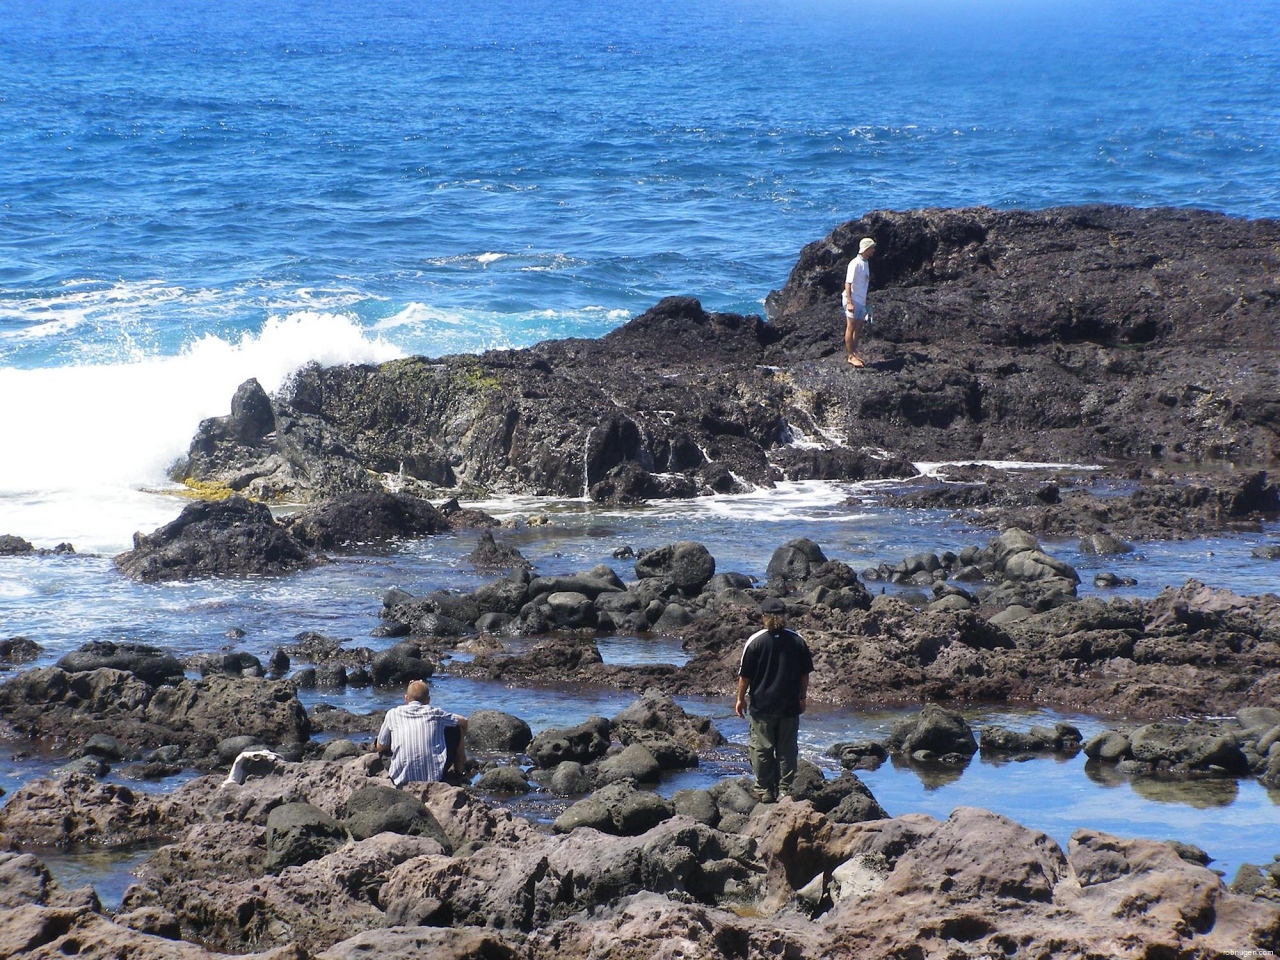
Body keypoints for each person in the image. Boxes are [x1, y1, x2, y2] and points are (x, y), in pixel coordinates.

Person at [734, 597, 813, 803]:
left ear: (764, 617)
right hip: (789, 705)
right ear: (784, 617)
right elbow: (805, 674)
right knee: (787, 750)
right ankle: (786, 791)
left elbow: (745, 677)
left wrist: (740, 699)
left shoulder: (755, 642)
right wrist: (802, 697)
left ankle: (764, 790)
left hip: (762, 705)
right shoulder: (797, 640)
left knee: (762, 749)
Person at [374, 679, 469, 786]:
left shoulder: (393, 713)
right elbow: (464, 721)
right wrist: (462, 740)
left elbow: (380, 746)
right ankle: (459, 773)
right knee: (456, 729)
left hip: (399, 778)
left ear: (406, 698)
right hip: (433, 779)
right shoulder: (436, 713)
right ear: (428, 700)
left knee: (387, 742)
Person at [842, 236, 877, 367]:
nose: (874, 250)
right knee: (851, 326)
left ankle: (854, 352)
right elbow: (848, 284)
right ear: (866, 249)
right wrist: (850, 302)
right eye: (872, 248)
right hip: (852, 299)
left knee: (859, 326)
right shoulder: (855, 263)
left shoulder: (865, 262)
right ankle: (850, 356)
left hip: (861, 300)